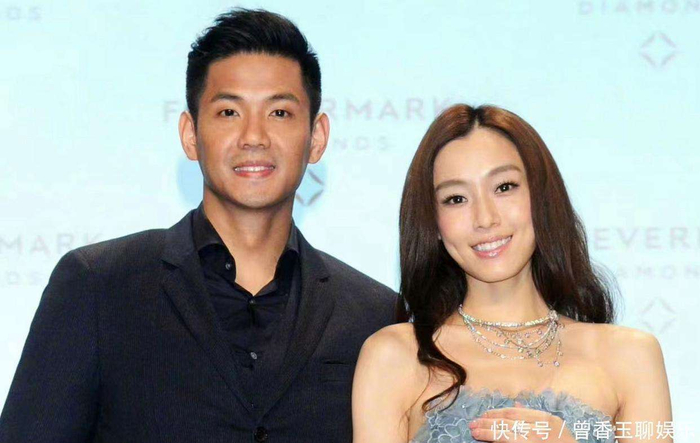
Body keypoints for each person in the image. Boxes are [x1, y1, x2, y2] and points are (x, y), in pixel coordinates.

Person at [0, 8, 396, 443]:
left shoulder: (375, 316)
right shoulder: (99, 285)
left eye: (280, 113)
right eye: (228, 112)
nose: (254, 137)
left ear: (316, 137)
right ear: (190, 135)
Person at [352, 104, 672, 443]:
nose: (485, 218)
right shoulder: (395, 356)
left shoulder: (631, 355)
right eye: (456, 199)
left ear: (542, 197)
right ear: (433, 223)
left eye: (504, 187)